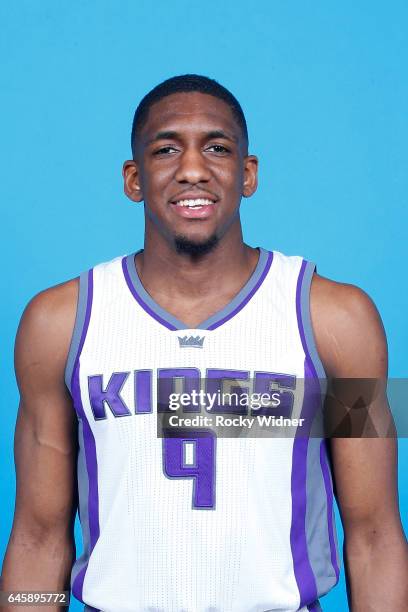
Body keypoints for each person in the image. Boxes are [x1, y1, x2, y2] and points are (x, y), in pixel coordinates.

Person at [1, 74, 407, 612]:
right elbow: (37, 536)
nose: (193, 169)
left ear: (248, 174)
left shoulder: (340, 319)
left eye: (217, 148)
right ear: (133, 179)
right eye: (166, 149)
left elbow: (375, 534)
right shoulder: (58, 323)